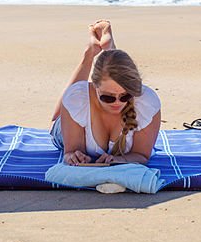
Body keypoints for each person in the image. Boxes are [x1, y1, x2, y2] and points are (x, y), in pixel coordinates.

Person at [49, 20, 161, 165]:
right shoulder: (78, 100)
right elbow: (70, 152)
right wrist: (73, 156)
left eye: (125, 96)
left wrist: (119, 160)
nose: (117, 103)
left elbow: (142, 156)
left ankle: (110, 54)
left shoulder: (146, 102)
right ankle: (89, 55)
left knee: (110, 73)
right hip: (76, 108)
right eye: (108, 97)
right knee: (54, 124)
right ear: (93, 86)